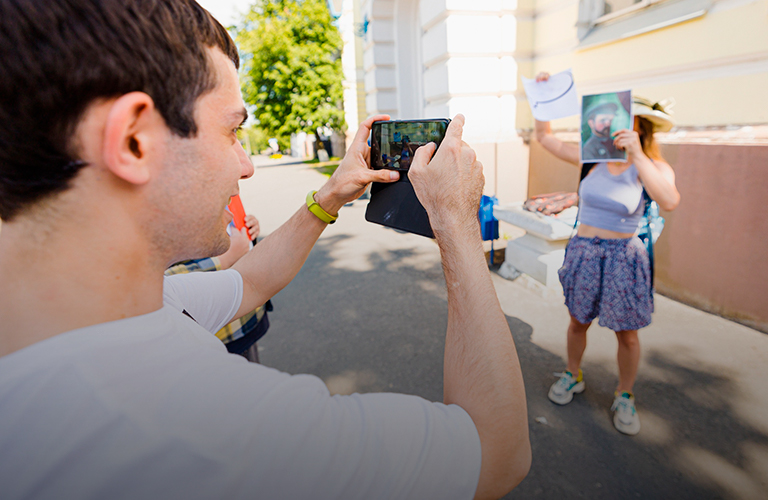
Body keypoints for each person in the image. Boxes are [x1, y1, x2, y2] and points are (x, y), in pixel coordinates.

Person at [0, 1, 530, 499]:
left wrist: (330, 195)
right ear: (134, 141)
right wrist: (457, 224)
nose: (246, 165)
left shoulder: (96, 317)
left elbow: (251, 280)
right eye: (232, 131)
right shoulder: (204, 424)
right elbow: (496, 451)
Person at [533, 72, 681, 435]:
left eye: (626, 121)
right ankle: (573, 374)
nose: (614, 126)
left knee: (627, 335)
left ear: (641, 128)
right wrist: (543, 94)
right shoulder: (592, 158)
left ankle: (624, 394)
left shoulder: (654, 167)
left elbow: (669, 200)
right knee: (577, 322)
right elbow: (545, 138)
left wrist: (637, 155)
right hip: (584, 251)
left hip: (624, 258)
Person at [166, 214, 270, 363]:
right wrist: (226, 258)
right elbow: (163, 283)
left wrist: (247, 230)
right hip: (219, 334)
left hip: (245, 318)